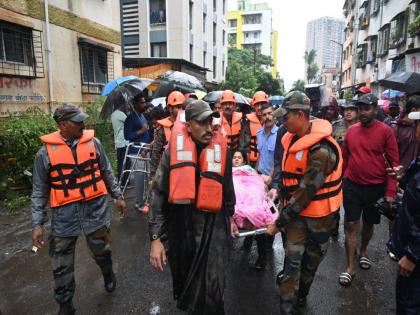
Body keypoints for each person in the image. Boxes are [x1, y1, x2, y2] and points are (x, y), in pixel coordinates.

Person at [31, 104, 126, 315]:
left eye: (83, 120)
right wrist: (37, 224)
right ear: (62, 125)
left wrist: (118, 195)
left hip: (96, 211)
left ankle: (108, 274)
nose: (83, 125)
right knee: (61, 264)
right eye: (78, 122)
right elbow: (39, 191)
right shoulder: (44, 154)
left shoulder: (94, 143)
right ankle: (65, 303)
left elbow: (107, 171)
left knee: (102, 252)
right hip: (64, 218)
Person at [148, 100, 236, 315]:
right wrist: (155, 239)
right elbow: (158, 195)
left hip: (214, 226)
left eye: (211, 123)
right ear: (188, 125)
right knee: (188, 282)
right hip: (183, 227)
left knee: (213, 287)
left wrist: (231, 218)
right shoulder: (173, 154)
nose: (209, 128)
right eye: (202, 123)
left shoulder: (221, 150)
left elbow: (228, 190)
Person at [266, 91, 343, 314]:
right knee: (292, 263)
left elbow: (304, 195)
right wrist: (279, 190)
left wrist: (278, 223)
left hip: (320, 218)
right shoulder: (290, 138)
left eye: (286, 117)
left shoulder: (321, 151)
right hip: (297, 217)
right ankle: (287, 307)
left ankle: (302, 296)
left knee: (310, 264)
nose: (282, 121)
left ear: (300, 115)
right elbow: (290, 175)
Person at [339, 93, 399, 286]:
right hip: (352, 186)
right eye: (360, 109)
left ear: (375, 109)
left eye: (367, 108)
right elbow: (345, 157)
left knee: (369, 224)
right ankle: (349, 267)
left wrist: (390, 192)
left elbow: (393, 163)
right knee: (351, 224)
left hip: (375, 188)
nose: (362, 112)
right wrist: (341, 178)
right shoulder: (351, 131)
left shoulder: (386, 132)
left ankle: (363, 251)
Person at [387, 110, 420, 315]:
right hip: (408, 248)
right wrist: (403, 176)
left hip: (415, 257)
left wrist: (413, 256)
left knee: (410, 307)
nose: (416, 129)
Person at [124, 93, 152, 213]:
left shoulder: (142, 116)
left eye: (144, 102)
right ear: (135, 104)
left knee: (146, 177)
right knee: (139, 178)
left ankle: (144, 200)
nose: (144, 104)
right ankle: (138, 203)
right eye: (141, 102)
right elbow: (127, 136)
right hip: (136, 152)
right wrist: (141, 131)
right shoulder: (130, 118)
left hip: (145, 151)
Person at [149, 91, 186, 181]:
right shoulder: (162, 129)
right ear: (170, 108)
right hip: (166, 170)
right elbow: (155, 153)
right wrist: (152, 177)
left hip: (182, 171)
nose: (181, 110)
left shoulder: (188, 126)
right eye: (178, 107)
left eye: (182, 107)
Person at [391, 95, 420, 170]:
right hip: (400, 174)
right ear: (413, 110)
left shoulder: (418, 126)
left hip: (415, 176)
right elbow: (391, 154)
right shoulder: (395, 127)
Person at [242, 91, 265, 166]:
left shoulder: (271, 122)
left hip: (266, 162)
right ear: (254, 106)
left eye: (262, 105)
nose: (259, 108)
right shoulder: (248, 122)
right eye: (257, 105)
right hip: (252, 162)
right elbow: (246, 145)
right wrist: (248, 165)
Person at [111, 104, 130, 187]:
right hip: (124, 142)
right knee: (125, 163)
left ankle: (120, 180)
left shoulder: (113, 114)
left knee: (120, 163)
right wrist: (128, 112)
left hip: (118, 142)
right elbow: (130, 121)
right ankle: (124, 181)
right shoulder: (120, 114)